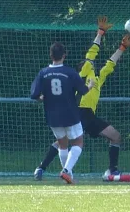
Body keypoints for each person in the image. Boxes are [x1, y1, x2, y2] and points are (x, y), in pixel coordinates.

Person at [33, 16, 130, 181]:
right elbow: (91, 54)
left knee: (115, 136)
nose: (91, 64)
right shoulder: (81, 74)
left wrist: (122, 48)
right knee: (62, 143)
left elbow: (110, 63)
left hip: (90, 116)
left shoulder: (98, 78)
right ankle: (42, 168)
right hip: (77, 113)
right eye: (87, 64)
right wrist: (100, 34)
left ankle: (112, 170)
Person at [30, 42, 95, 184]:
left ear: (50, 55)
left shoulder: (43, 73)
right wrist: (90, 86)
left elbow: (34, 94)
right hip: (70, 113)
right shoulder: (69, 72)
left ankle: (68, 174)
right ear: (64, 55)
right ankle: (66, 170)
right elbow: (83, 91)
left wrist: (42, 98)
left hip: (52, 116)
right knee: (78, 142)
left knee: (62, 144)